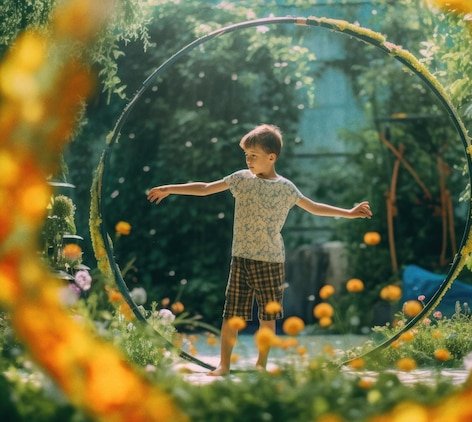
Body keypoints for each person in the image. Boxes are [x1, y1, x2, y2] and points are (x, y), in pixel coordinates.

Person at [147, 124, 372, 375]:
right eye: (246, 155)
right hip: (241, 259)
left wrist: (349, 213)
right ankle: (224, 365)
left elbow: (315, 207)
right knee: (231, 314)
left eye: (253, 155)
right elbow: (205, 188)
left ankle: (262, 364)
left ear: (271, 157)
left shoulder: (286, 188)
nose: (248, 160)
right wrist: (170, 189)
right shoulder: (241, 179)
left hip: (271, 261)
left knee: (268, 316)